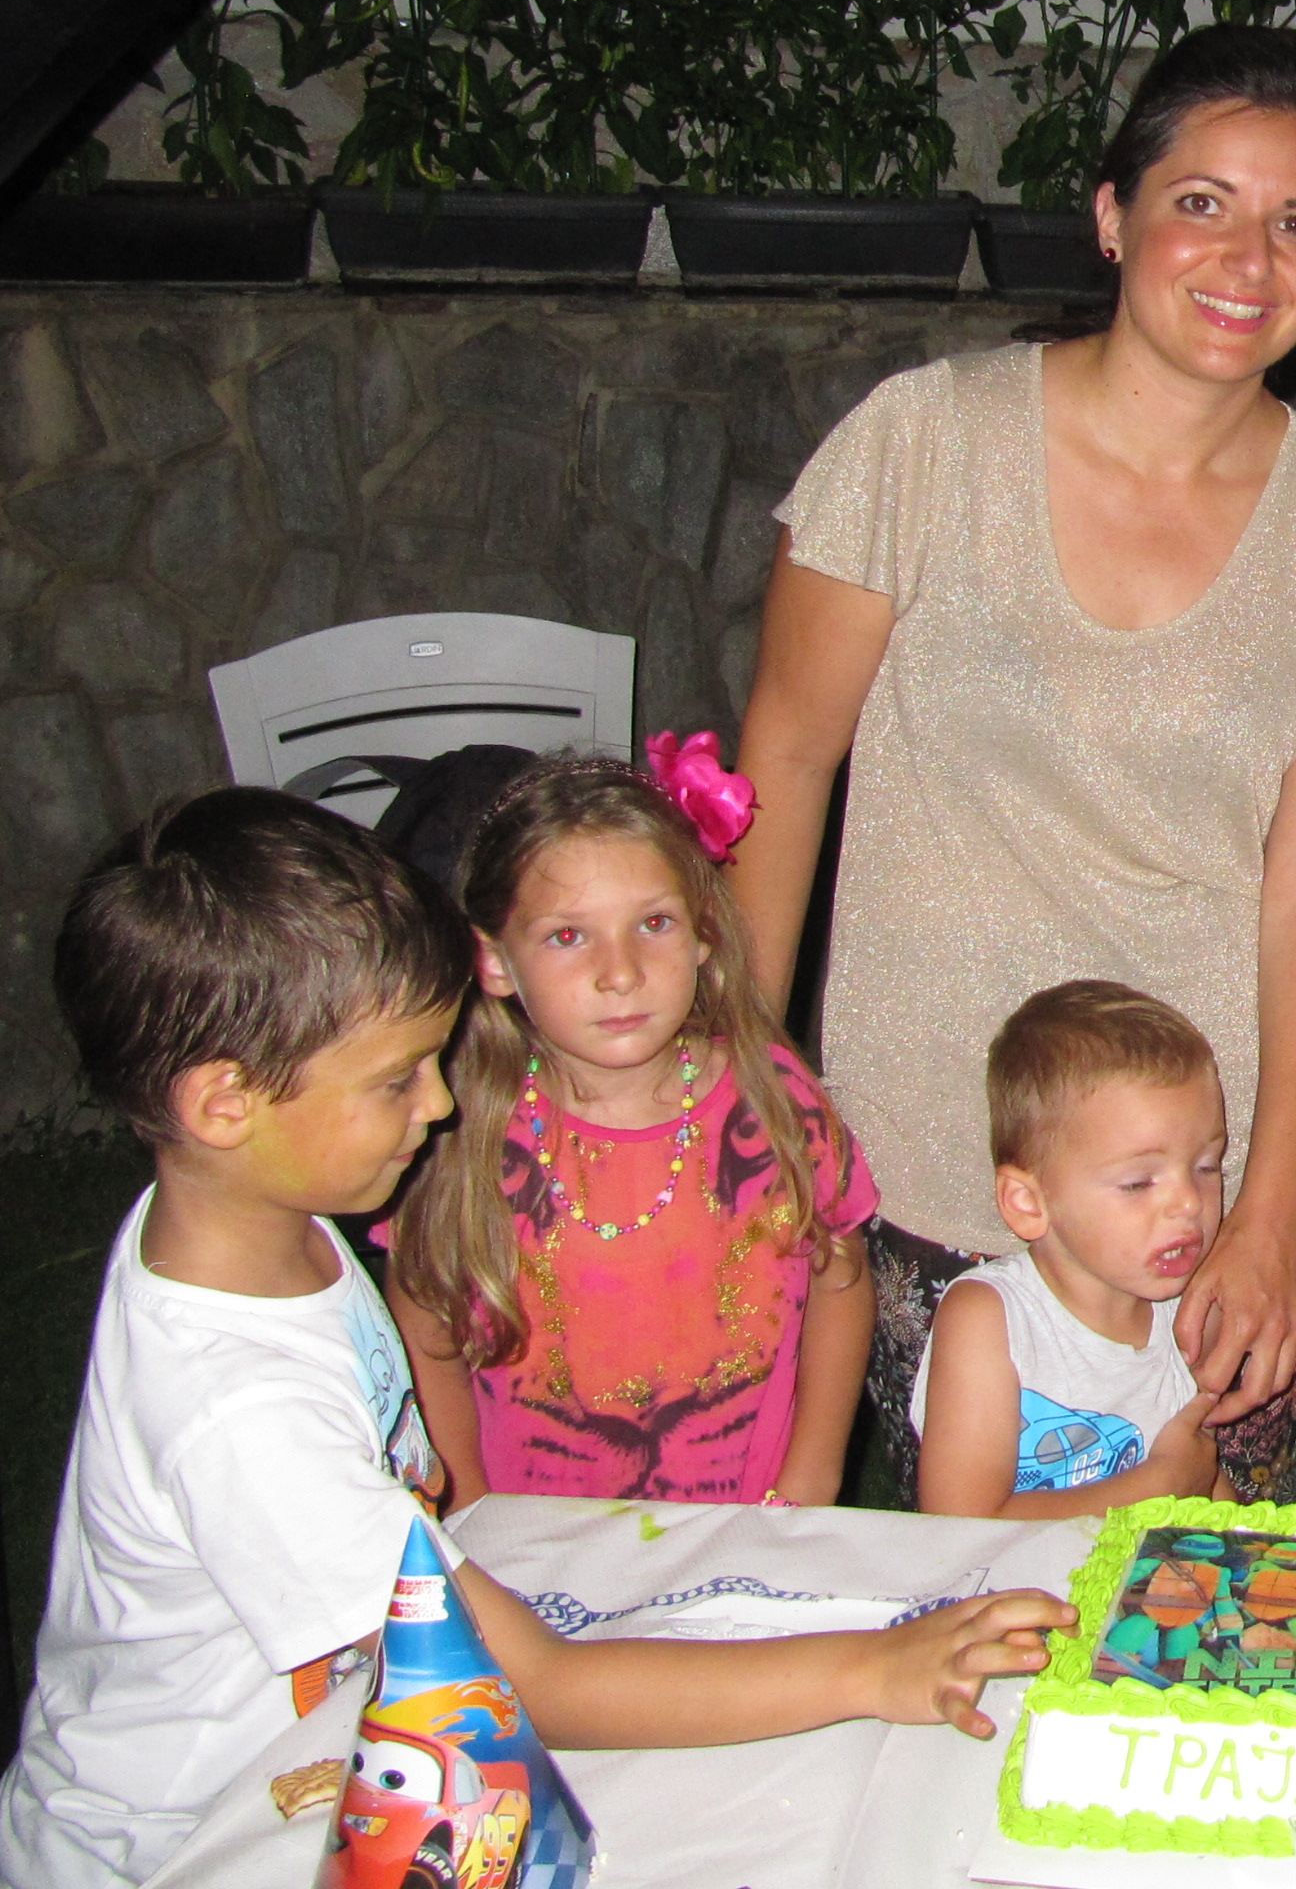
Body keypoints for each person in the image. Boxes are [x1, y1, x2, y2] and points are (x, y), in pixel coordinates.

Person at [0, 790, 1068, 1889]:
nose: (437, 1105)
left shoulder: (255, 1223)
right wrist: (875, 1670)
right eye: (395, 1079)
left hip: (336, 1746)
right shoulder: (240, 1414)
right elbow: (529, 1685)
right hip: (186, 1839)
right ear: (225, 1104)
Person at [732, 25, 1296, 1502]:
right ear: (1115, 216)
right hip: (936, 1154)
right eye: (1203, 203)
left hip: (1203, 1192)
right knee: (979, 1588)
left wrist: (1269, 1210)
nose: (1249, 259)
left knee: (1204, 1600)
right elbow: (786, 761)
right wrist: (740, 1086)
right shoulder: (923, 443)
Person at [383, 753, 875, 1508]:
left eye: (653, 923)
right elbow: (424, 1326)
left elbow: (841, 1273)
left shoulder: (774, 1101)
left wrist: (813, 1471)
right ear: (495, 960)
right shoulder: (460, 1134)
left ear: (702, 933)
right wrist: (470, 1504)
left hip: (751, 1526)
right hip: (541, 1543)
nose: (621, 972)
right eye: (567, 935)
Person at [912, 981, 1227, 1518]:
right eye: (1137, 1182)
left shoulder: (1189, 1311)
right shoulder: (992, 1321)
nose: (1188, 1203)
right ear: (1028, 1203)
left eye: (1206, 1167)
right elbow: (962, 1524)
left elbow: (1204, 1483)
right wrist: (1162, 1486)